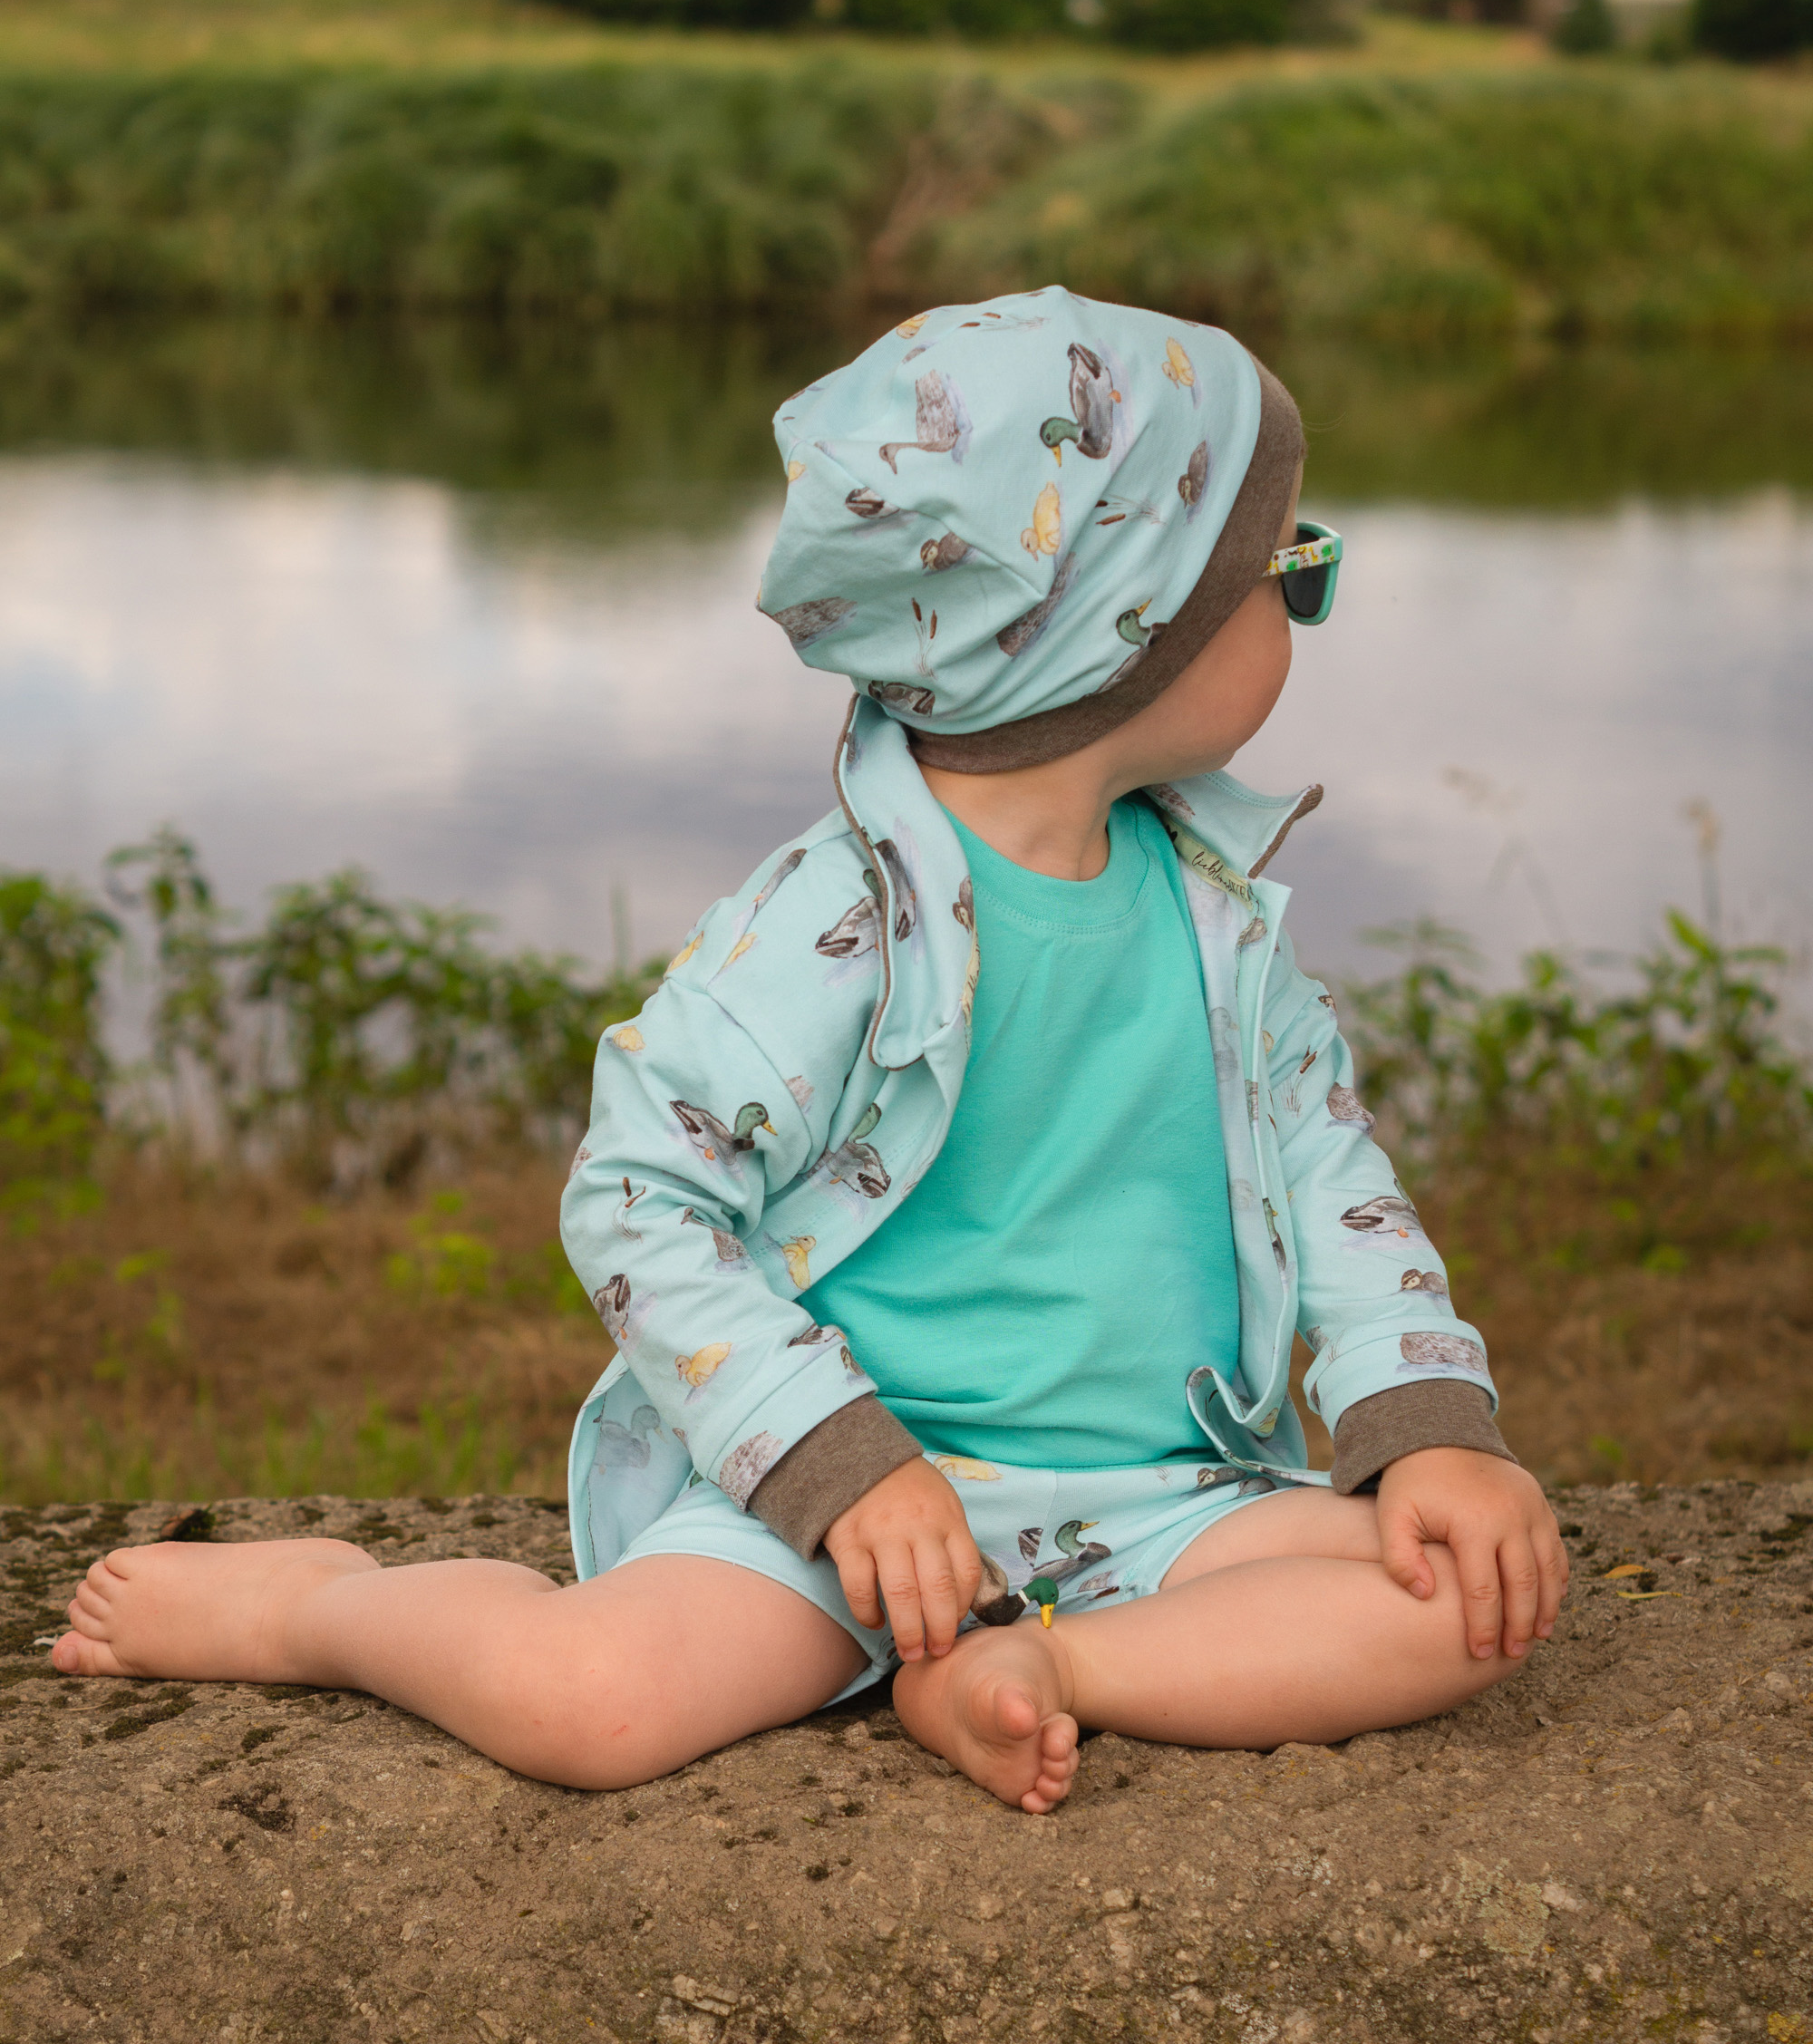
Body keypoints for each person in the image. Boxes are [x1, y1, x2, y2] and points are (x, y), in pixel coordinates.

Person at [51, 287, 1566, 1812]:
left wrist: (1424, 1428)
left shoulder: (1217, 914)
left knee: (1473, 1590)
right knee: (589, 1705)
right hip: (852, 1508)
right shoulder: (834, 927)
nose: (1306, 598)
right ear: (1127, 629)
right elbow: (638, 1196)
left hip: (1161, 1497)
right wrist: (840, 1464)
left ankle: (1048, 1667)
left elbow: (1331, 1173)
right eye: (1291, 568)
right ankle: (322, 1608)